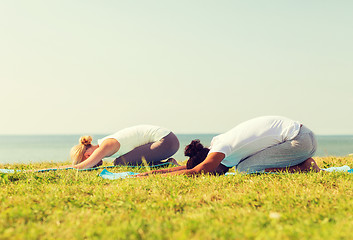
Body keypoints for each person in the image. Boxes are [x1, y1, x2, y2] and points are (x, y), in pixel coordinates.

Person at [138, 116, 320, 177]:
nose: (216, 174)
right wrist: (149, 173)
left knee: (246, 169)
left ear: (211, 161)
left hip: (299, 140)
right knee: (244, 166)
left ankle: (304, 166)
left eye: (213, 173)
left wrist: (148, 177)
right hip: (301, 138)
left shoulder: (221, 148)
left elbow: (197, 170)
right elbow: (188, 167)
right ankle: (302, 160)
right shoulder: (221, 146)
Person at [69, 125, 180, 169]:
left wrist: (60, 168)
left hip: (166, 141)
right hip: (169, 139)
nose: (93, 164)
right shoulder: (106, 142)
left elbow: (81, 167)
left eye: (86, 159)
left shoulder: (106, 145)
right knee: (123, 160)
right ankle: (169, 163)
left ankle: (168, 164)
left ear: (87, 155)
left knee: (121, 162)